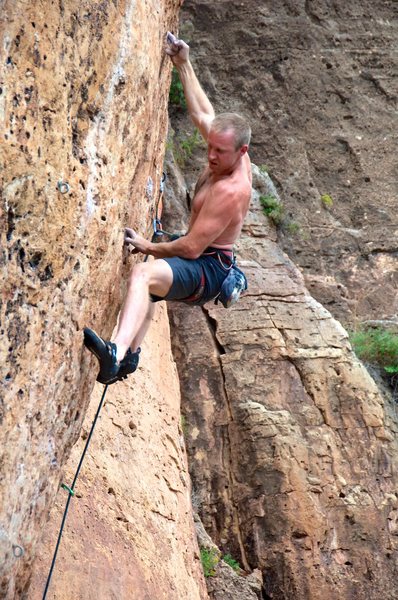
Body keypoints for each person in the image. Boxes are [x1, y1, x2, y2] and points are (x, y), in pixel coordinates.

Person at [84, 32, 252, 384]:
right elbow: (203, 112)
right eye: (211, 147)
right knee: (153, 279)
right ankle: (130, 357)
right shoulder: (224, 146)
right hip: (201, 255)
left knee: (144, 275)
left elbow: (191, 247)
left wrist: (148, 245)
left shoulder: (231, 190)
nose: (211, 155)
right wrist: (183, 63)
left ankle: (115, 352)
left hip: (209, 269)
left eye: (220, 152)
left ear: (242, 153)